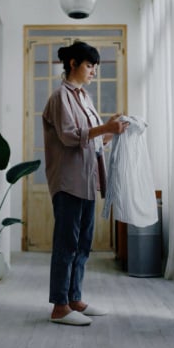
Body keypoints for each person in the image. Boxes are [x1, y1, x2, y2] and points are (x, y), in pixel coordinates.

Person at [42, 41, 129, 326]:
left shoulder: (85, 98)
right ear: (73, 64)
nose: (93, 71)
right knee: (66, 244)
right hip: (68, 182)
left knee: (83, 244)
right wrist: (105, 127)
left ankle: (74, 298)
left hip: (88, 181)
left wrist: (112, 130)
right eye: (89, 65)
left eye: (95, 67)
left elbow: (93, 139)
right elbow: (70, 136)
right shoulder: (60, 97)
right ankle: (59, 306)